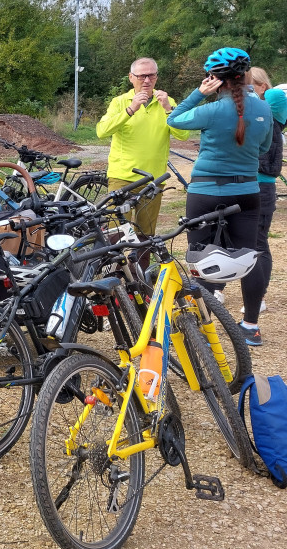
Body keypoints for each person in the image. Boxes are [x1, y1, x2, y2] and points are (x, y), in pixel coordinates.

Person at [167, 48, 273, 346]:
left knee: (200, 259)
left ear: (216, 79)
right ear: (245, 76)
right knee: (249, 256)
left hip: (206, 191)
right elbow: (263, 148)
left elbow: (173, 120)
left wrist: (199, 93)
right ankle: (250, 326)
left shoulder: (210, 110)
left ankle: (202, 328)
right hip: (247, 192)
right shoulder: (264, 109)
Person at [96, 58, 190, 245]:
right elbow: (102, 131)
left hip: (153, 179)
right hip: (122, 177)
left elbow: (183, 135)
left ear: (156, 77)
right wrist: (130, 110)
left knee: (146, 235)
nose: (147, 80)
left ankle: (140, 273)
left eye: (151, 75)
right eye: (142, 76)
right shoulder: (120, 102)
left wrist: (168, 109)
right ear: (131, 78)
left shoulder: (167, 101)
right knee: (116, 230)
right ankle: (114, 271)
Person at [248, 68, 285, 321]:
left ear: (262, 87)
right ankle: (219, 288)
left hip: (262, 186)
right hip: (243, 184)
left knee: (258, 243)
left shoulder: (273, 109)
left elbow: (271, 167)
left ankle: (258, 297)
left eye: (251, 87)